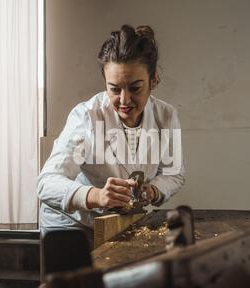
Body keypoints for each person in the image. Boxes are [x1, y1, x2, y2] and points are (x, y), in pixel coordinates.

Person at [38, 25, 185, 249]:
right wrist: (96, 196)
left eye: (135, 88)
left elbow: (174, 173)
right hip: (71, 224)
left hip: (121, 223)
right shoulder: (87, 117)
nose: (124, 100)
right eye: (114, 89)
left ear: (153, 80)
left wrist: (151, 191)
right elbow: (47, 183)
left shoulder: (166, 116)